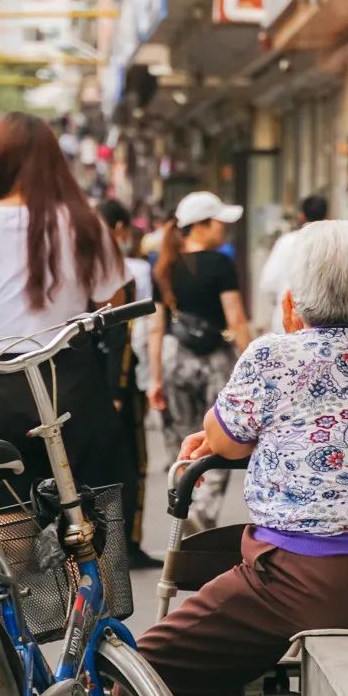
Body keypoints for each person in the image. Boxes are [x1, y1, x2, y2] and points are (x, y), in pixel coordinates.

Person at [132, 220, 348, 696]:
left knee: (143, 666)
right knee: (232, 553)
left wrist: (213, 435)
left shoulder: (274, 353)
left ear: (290, 302)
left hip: (321, 583)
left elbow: (227, 437)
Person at [0, 112, 132, 506]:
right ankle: (83, 570)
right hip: (74, 378)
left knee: (9, 506)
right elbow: (114, 303)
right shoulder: (85, 221)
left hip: (5, 380)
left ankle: (20, 568)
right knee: (85, 507)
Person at [148, 191, 251, 532]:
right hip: (214, 362)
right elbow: (235, 318)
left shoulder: (164, 266)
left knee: (183, 437)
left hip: (175, 358)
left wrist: (155, 378)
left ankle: (182, 504)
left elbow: (156, 328)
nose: (224, 229)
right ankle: (203, 512)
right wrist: (252, 361)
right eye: (219, 222)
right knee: (220, 435)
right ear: (202, 226)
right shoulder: (220, 264)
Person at [97, 200, 159, 569]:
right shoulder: (127, 270)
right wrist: (119, 391)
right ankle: (124, 545)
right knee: (130, 464)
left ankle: (110, 547)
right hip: (116, 386)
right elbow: (123, 335)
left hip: (87, 384)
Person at [259, 194, 328, 333]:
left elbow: (268, 284)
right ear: (328, 216)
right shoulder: (331, 243)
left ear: (301, 216)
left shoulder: (286, 242)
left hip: (286, 319)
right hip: (324, 327)